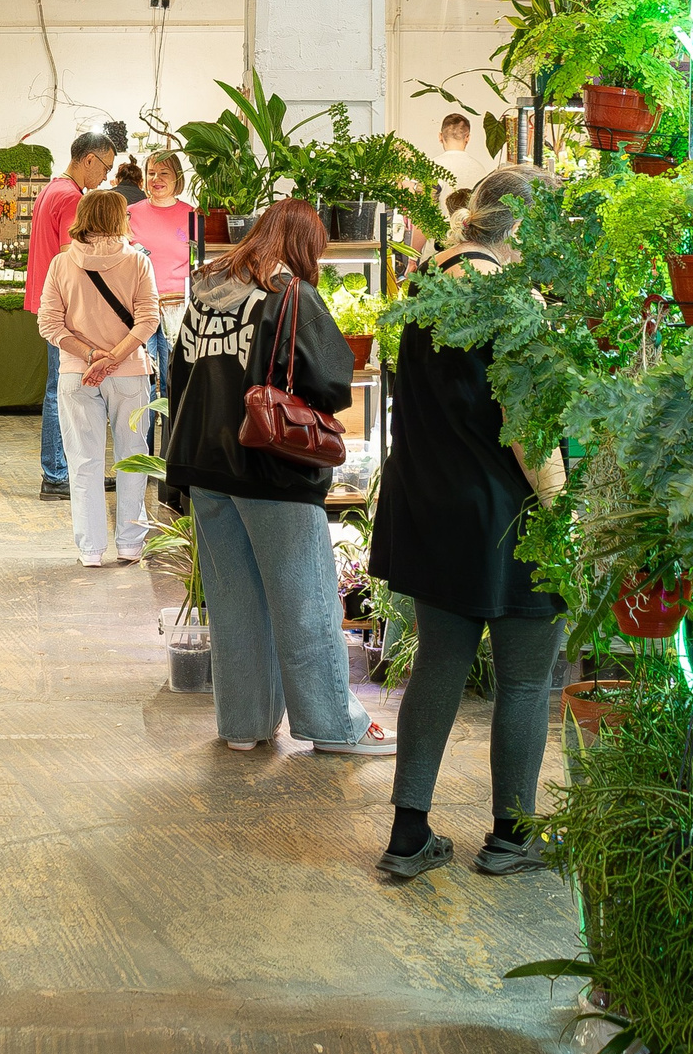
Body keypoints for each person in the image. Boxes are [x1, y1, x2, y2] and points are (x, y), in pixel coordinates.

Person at [367, 171, 568, 879]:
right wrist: (562, 512)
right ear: (526, 228)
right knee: (523, 680)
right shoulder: (509, 299)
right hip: (504, 512)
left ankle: (409, 833)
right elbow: (527, 429)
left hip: (429, 502)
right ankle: (514, 835)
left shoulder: (427, 278)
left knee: (440, 662)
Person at [164, 200, 395, 756]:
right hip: (272, 469)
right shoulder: (289, 293)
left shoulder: (204, 289)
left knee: (233, 602)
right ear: (301, 244)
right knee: (306, 601)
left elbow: (179, 374)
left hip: (205, 464)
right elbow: (335, 376)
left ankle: (244, 725)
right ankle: (334, 726)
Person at [36, 191, 160, 567]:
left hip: (77, 374)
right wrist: (115, 357)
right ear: (120, 219)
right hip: (130, 374)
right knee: (133, 458)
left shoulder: (61, 264)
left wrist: (92, 357)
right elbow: (149, 319)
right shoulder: (138, 262)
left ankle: (90, 550)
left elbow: (48, 324)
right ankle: (130, 545)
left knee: (83, 462)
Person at [23, 130, 119, 500]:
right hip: (65, 308)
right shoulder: (70, 197)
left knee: (60, 389)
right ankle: (57, 473)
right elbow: (75, 256)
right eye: (105, 168)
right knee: (61, 391)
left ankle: (62, 470)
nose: (106, 178)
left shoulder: (52, 189)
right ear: (89, 159)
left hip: (53, 303)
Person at [127, 151, 195, 398]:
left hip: (177, 308)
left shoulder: (193, 215)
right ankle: (142, 437)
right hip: (139, 306)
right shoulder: (129, 213)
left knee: (173, 379)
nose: (156, 178)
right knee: (143, 381)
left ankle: (171, 436)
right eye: (151, 173)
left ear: (177, 177)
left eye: (164, 173)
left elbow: (198, 267)